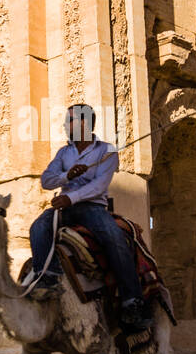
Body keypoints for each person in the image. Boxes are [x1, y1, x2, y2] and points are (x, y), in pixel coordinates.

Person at [29, 104, 149, 329]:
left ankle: (132, 300)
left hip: (92, 208)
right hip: (64, 209)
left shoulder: (106, 152)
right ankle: (48, 277)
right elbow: (47, 180)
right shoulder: (64, 153)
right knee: (38, 228)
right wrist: (67, 175)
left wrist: (71, 198)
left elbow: (99, 185)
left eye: (70, 120)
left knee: (114, 237)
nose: (66, 125)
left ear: (84, 123)